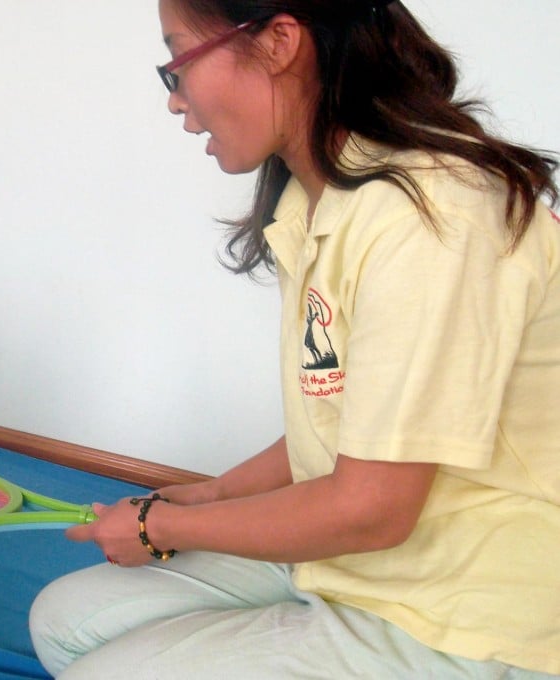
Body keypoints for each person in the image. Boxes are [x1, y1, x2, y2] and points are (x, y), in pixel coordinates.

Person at [29, 1, 560, 678]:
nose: (176, 100)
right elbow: (341, 417)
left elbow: (372, 509)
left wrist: (156, 527)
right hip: (365, 564)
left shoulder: (433, 217)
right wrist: (205, 497)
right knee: (66, 623)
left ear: (280, 41)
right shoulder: (315, 203)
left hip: (474, 612)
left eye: (178, 62)